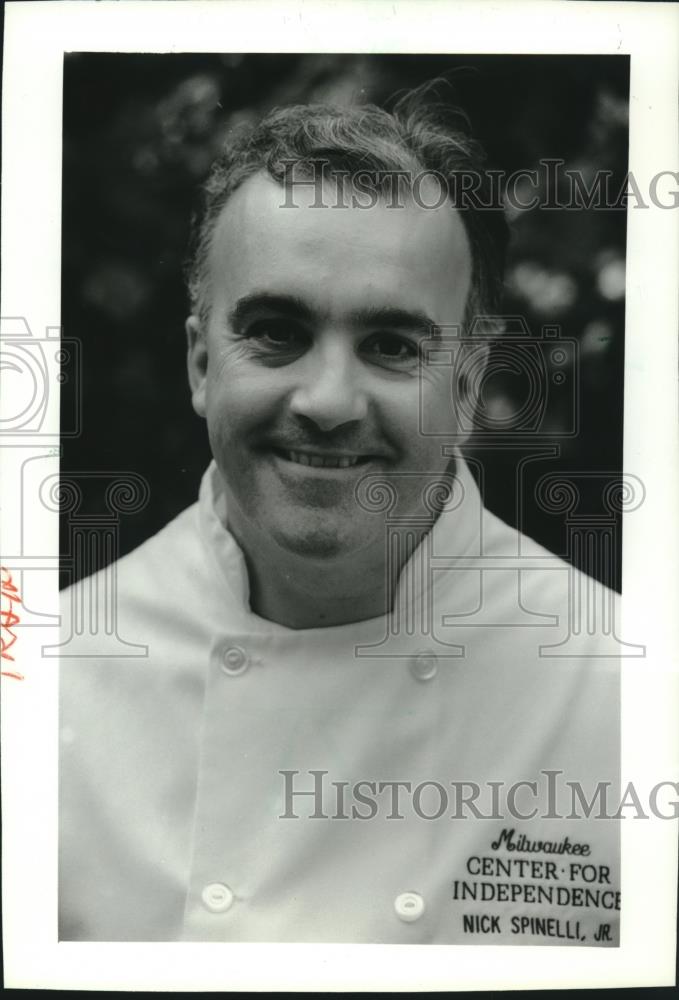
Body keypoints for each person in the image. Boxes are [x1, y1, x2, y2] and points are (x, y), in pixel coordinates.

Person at [59, 91, 621, 945]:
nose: (326, 402)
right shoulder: (45, 680)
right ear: (202, 363)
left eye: (392, 344)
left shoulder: (627, 691)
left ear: (466, 388)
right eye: (276, 332)